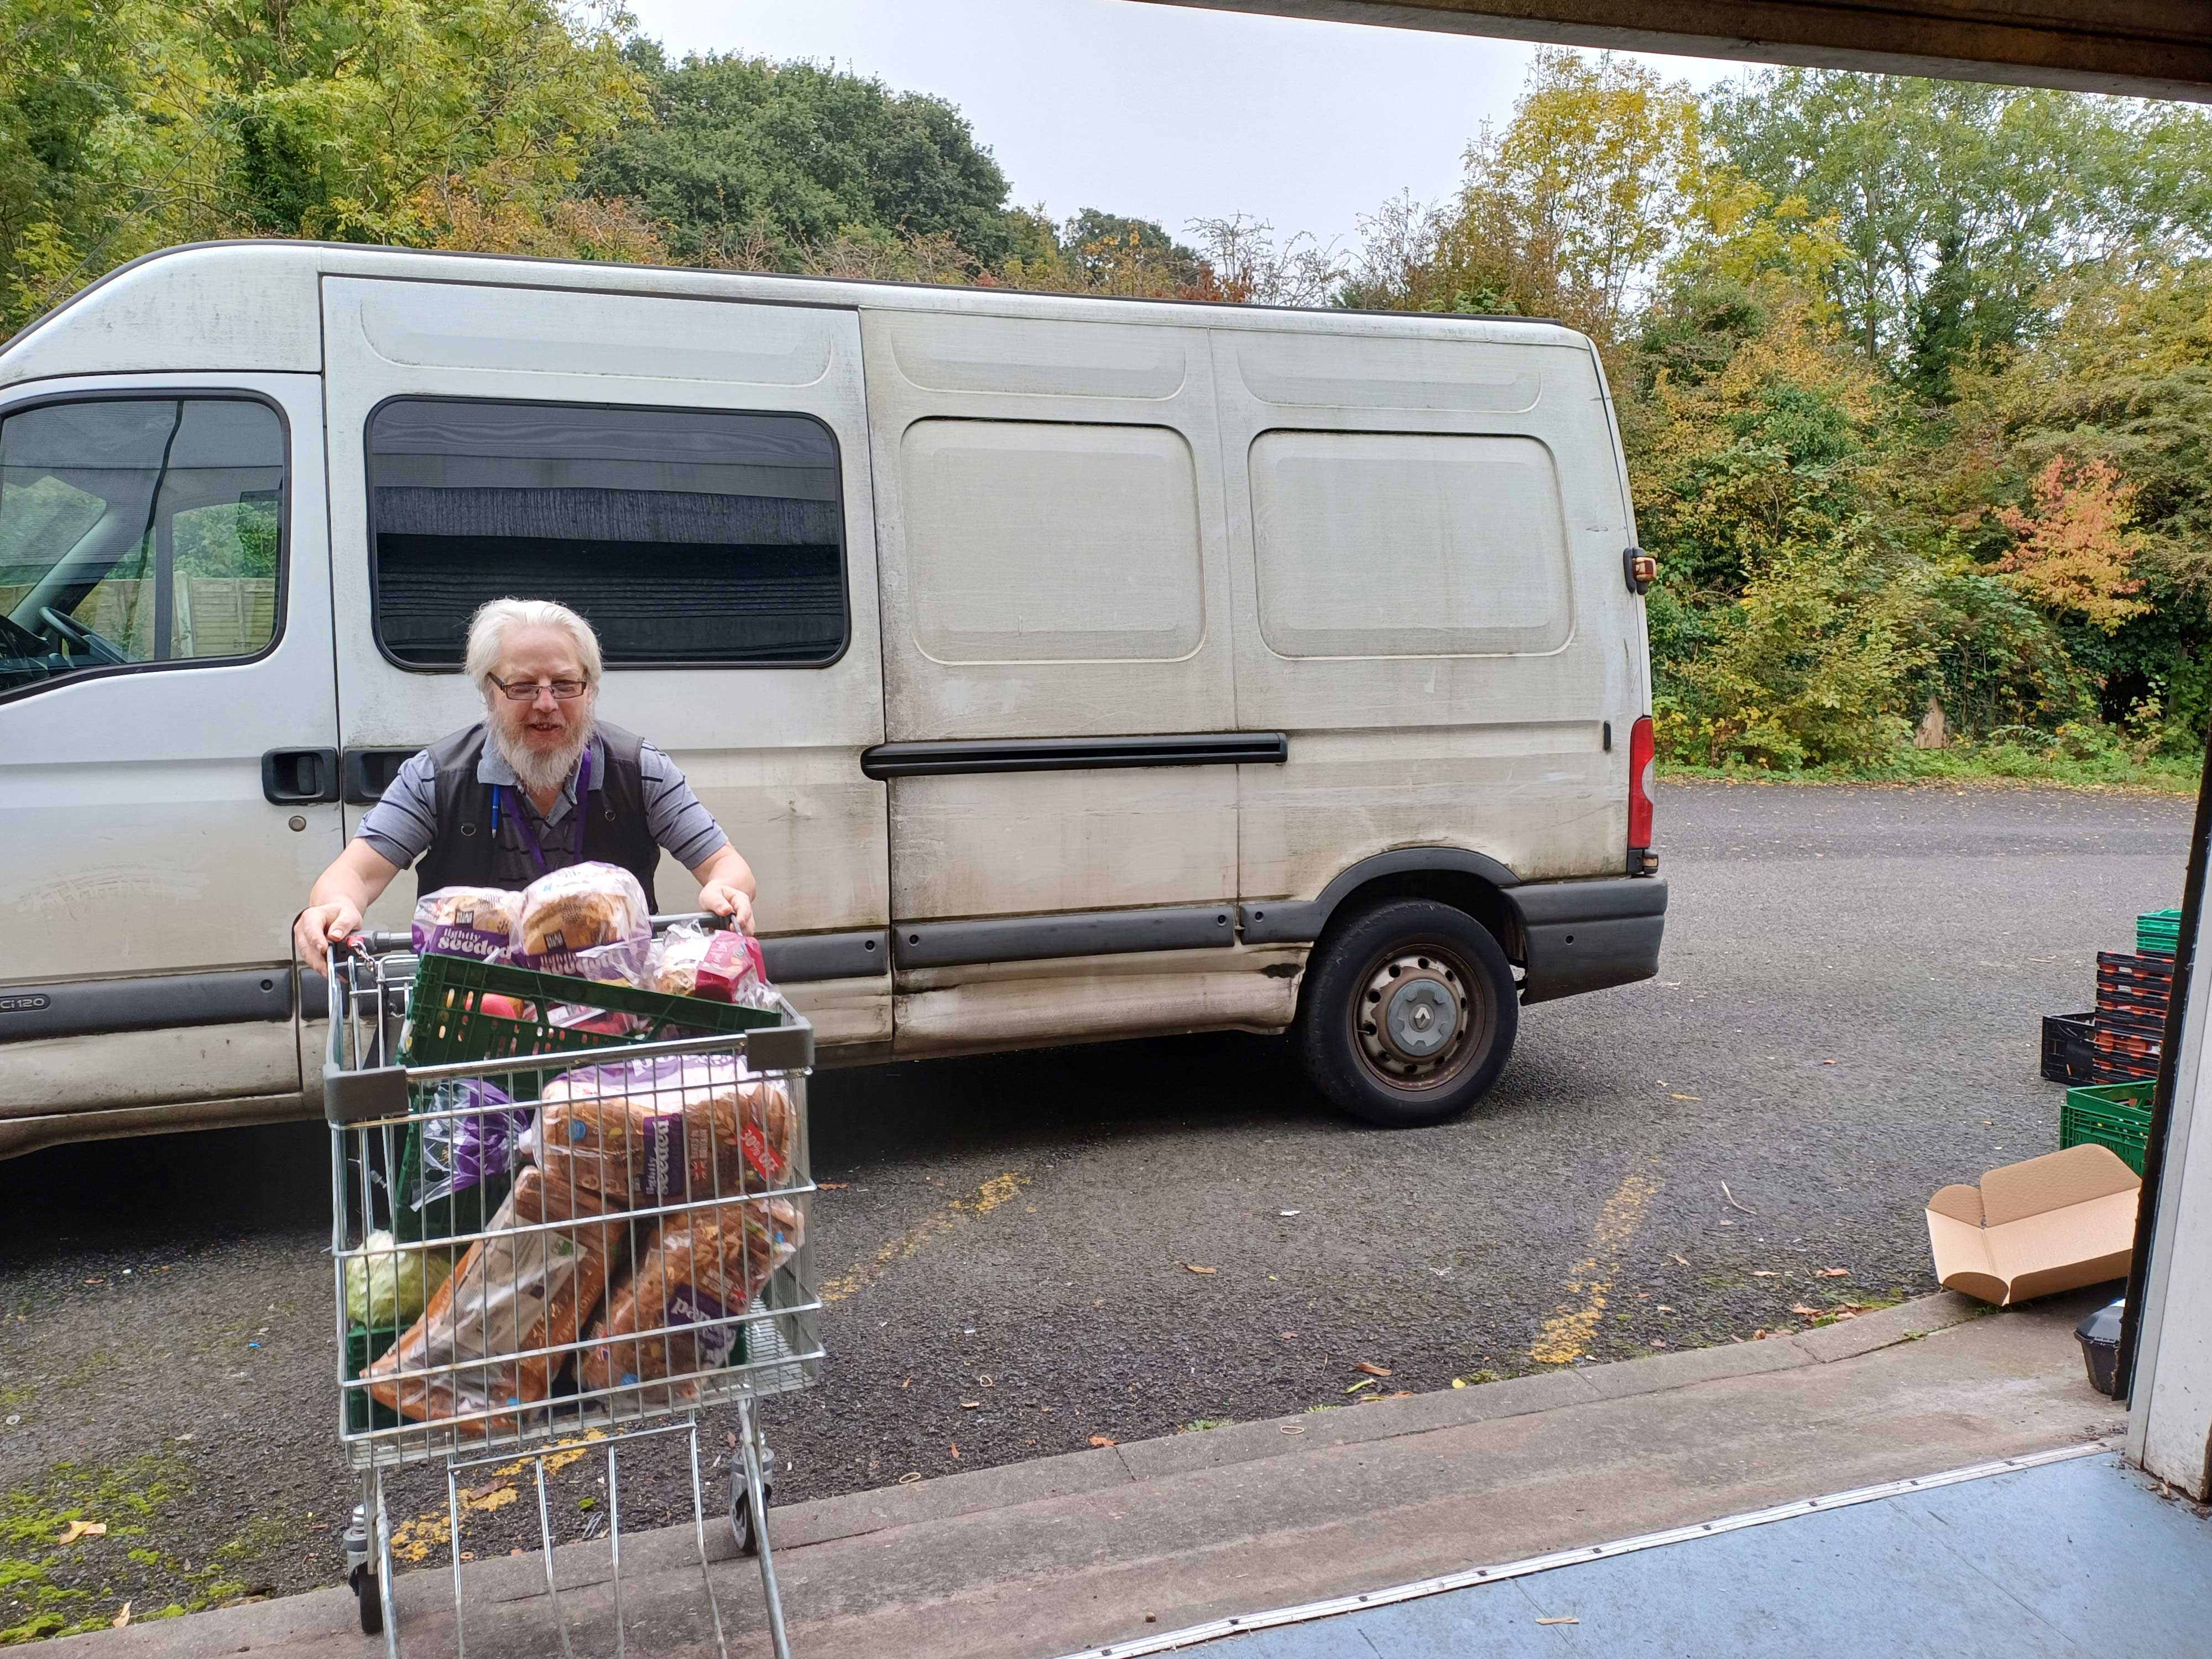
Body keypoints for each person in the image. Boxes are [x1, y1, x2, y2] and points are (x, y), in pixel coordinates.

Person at [293, 598, 755, 972]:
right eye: (522, 687)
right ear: (488, 692)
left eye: (565, 683)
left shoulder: (639, 768)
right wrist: (333, 908)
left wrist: (726, 890)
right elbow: (355, 873)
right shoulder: (437, 776)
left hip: (615, 997)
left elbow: (725, 865)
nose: (546, 704)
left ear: (590, 689)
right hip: (476, 1005)